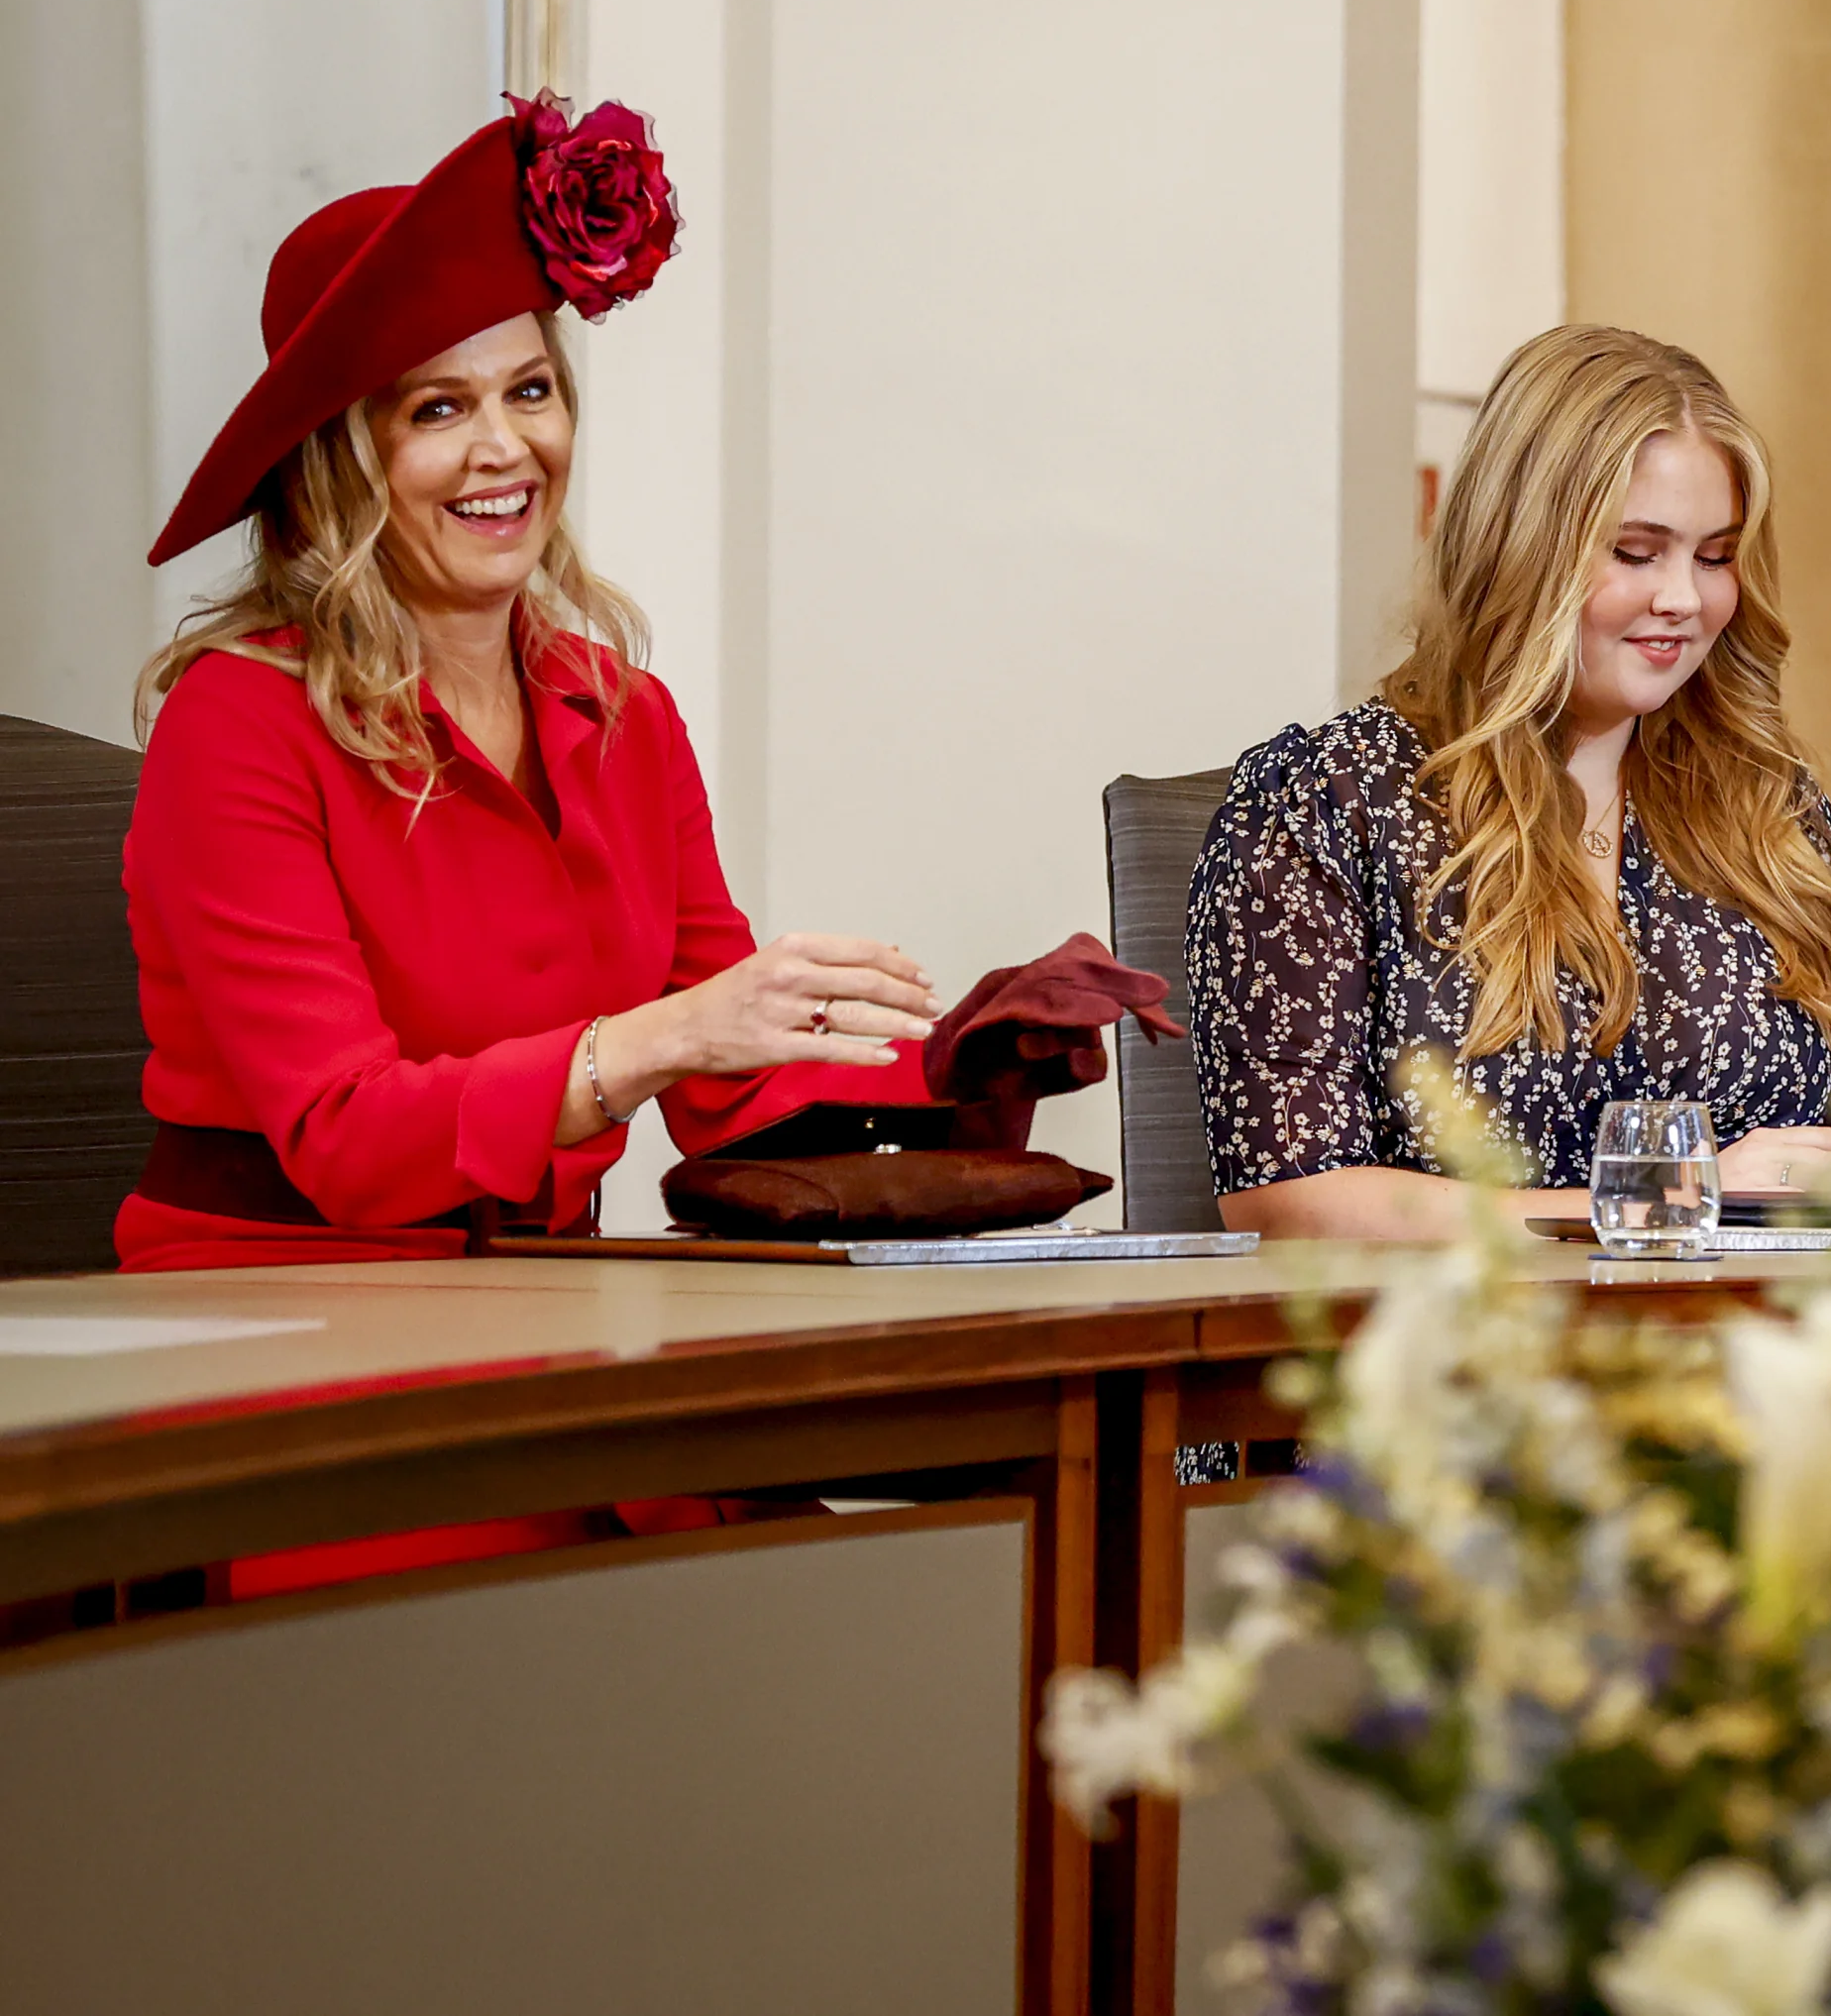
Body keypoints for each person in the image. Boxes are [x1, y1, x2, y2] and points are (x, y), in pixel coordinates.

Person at [121, 100, 1142, 1576]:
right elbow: (344, 1140)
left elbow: (722, 1087)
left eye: (531, 389)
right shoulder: (240, 721)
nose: (504, 448)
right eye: (436, 408)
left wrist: (954, 1066)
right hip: (285, 1340)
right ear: (338, 456)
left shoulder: (620, 706)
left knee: (865, 1598)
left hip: (543, 1316)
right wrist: (653, 1040)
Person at [1189, 325, 1831, 1237]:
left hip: (1771, 1356)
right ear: (1521, 545)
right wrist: (1670, 1198)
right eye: (1636, 552)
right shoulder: (1330, 804)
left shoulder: (1771, 809)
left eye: (1715, 556)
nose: (1685, 599)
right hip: (1461, 1359)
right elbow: (1284, 1197)